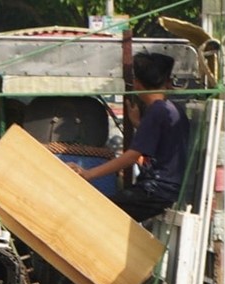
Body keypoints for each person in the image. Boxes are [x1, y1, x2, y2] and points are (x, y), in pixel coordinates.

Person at [68, 51, 190, 222]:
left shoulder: (156, 111)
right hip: (167, 189)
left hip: (156, 190)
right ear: (167, 82)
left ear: (137, 84)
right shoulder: (173, 110)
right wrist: (138, 124)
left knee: (99, 213)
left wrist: (89, 174)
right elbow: (163, 141)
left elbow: (132, 156)